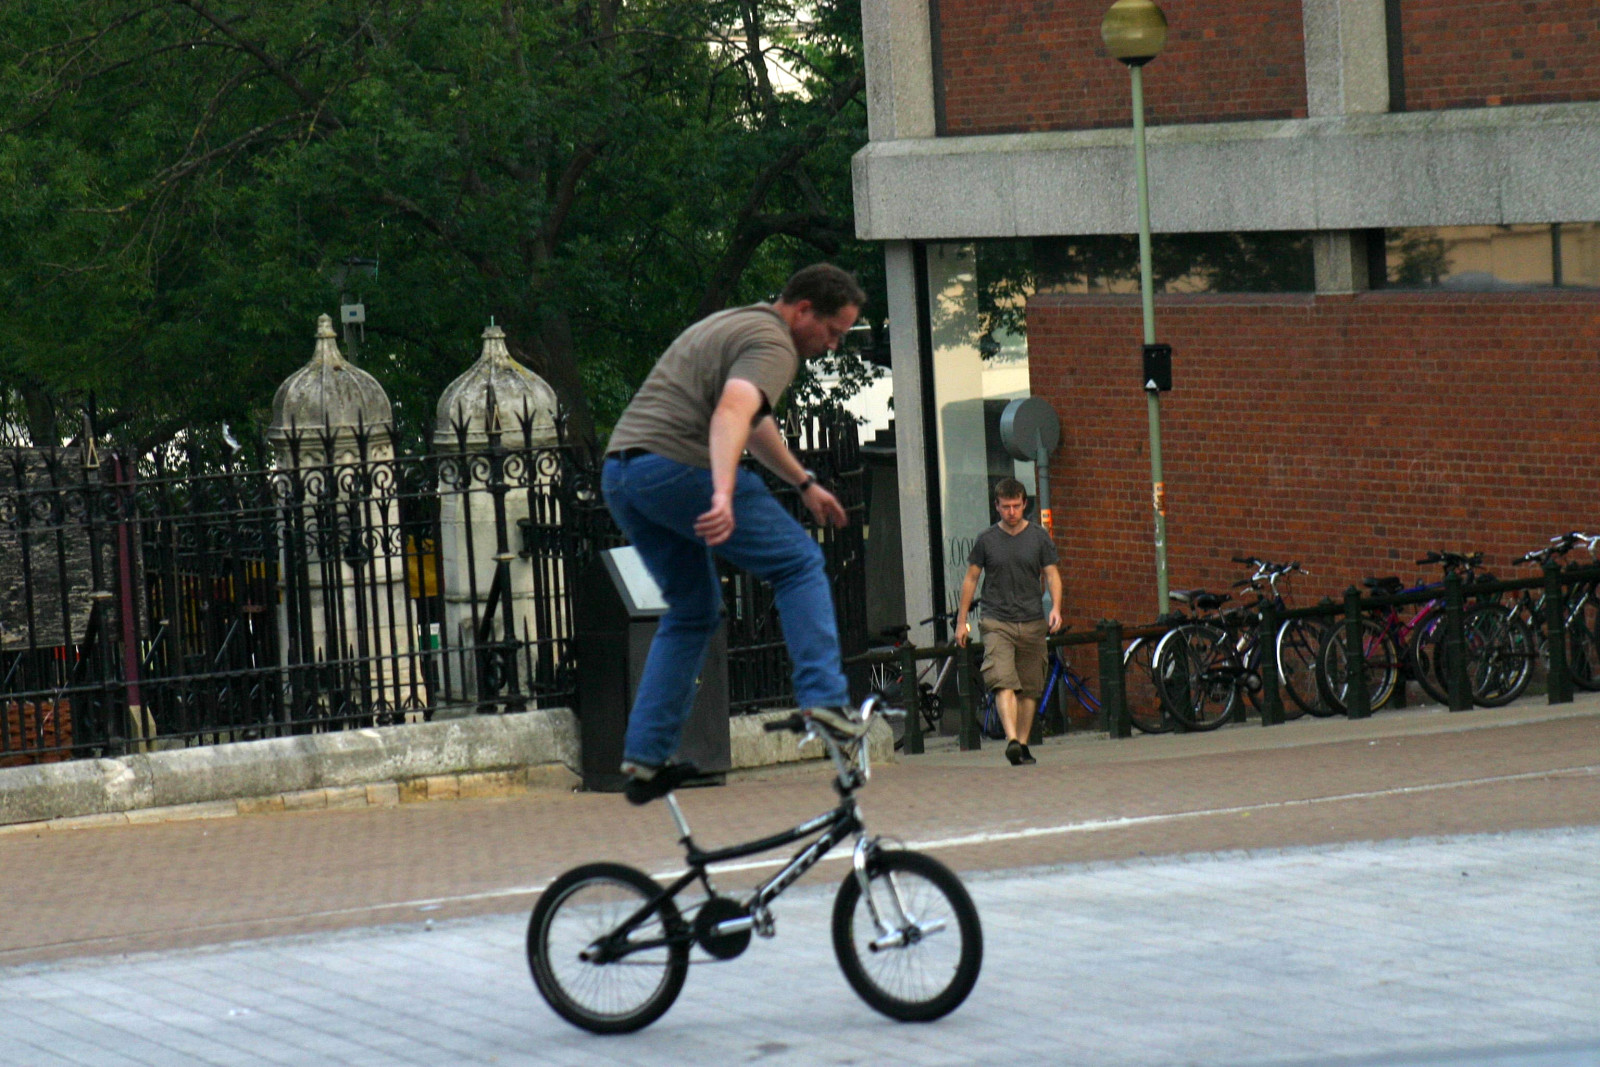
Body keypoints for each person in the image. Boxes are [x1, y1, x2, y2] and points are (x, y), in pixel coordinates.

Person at [602, 263, 869, 803]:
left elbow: (752, 420)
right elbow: (729, 414)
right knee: (799, 563)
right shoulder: (775, 343)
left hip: (624, 477)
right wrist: (722, 493)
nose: (832, 346)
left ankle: (646, 755)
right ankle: (824, 701)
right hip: (682, 468)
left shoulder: (731, 323)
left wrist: (803, 483)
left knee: (693, 610)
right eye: (832, 331)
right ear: (803, 311)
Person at [954, 477, 1063, 766]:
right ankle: (1012, 739)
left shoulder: (1039, 537)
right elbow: (971, 578)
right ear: (997, 506)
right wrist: (962, 621)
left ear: (1025, 504)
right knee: (1002, 680)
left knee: (1030, 688)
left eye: (1016, 506)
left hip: (1032, 620)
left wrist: (1055, 608)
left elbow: (1051, 574)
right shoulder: (986, 540)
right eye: (1005, 507)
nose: (1011, 512)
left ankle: (1022, 744)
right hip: (996, 620)